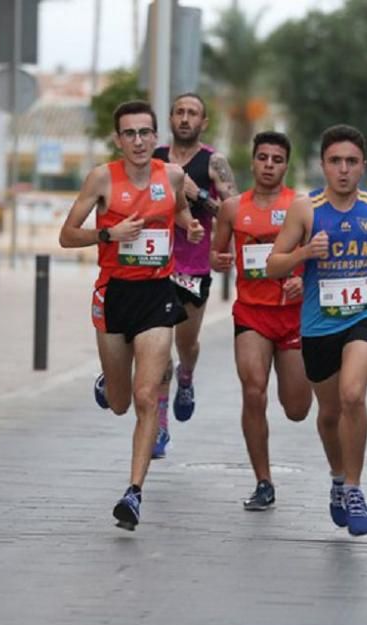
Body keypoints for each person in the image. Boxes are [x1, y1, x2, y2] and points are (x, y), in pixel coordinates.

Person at [59, 100, 203, 530]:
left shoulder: (172, 176)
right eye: (130, 134)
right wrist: (108, 233)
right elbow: (67, 235)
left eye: (145, 133)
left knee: (146, 397)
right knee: (120, 402)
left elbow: (177, 207)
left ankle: (134, 492)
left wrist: (188, 226)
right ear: (118, 140)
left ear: (156, 138)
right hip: (114, 294)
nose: (139, 141)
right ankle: (109, 380)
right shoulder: (102, 178)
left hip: (157, 295)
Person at [266, 124, 367, 536]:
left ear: (363, 165)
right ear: (323, 166)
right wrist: (304, 253)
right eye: (335, 162)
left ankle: (355, 487)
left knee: (352, 394)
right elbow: (272, 264)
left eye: (351, 162)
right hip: (318, 324)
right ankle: (336, 476)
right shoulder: (304, 209)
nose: (343, 170)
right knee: (329, 414)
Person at [210, 131, 312, 510]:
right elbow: (216, 252)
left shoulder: (301, 206)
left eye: (277, 159)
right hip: (252, 313)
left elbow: (318, 256)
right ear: (252, 162)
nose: (269, 165)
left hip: (294, 316)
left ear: (286, 165)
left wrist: (304, 278)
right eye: (263, 158)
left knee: (297, 409)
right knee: (253, 391)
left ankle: (301, 390)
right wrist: (215, 260)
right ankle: (263, 481)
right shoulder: (233, 209)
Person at [150, 93, 238, 458]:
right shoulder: (153, 158)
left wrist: (198, 194)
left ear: (203, 123)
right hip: (153, 264)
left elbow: (234, 211)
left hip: (194, 266)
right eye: (179, 112)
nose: (185, 118)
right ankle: (160, 427)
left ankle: (186, 376)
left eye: (193, 114)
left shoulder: (213, 161)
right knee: (157, 348)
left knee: (184, 344)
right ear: (170, 119)